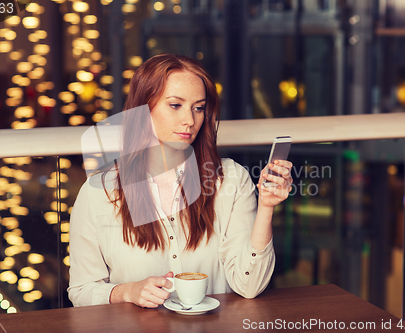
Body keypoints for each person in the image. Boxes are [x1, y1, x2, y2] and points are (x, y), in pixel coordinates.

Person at [68, 53, 293, 308]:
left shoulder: (231, 179)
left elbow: (249, 286)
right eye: (175, 105)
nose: (190, 120)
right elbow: (82, 291)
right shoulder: (99, 193)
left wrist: (266, 207)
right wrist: (127, 292)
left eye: (198, 108)